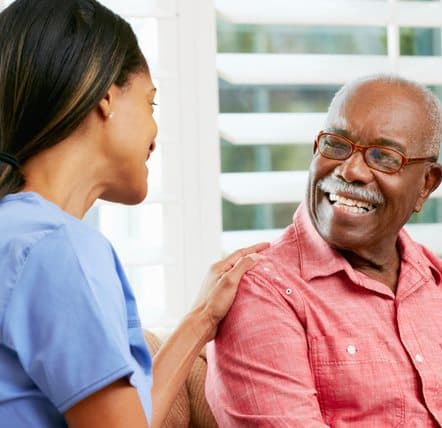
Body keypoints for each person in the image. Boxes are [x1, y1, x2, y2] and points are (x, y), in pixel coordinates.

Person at [205, 74, 442, 427]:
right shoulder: (262, 291)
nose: (351, 170)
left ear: (426, 184)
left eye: (384, 157)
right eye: (337, 145)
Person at [0, 1, 264, 426]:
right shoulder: (57, 247)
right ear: (106, 96)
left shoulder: (17, 232)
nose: (155, 136)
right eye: (150, 103)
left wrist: (201, 319)